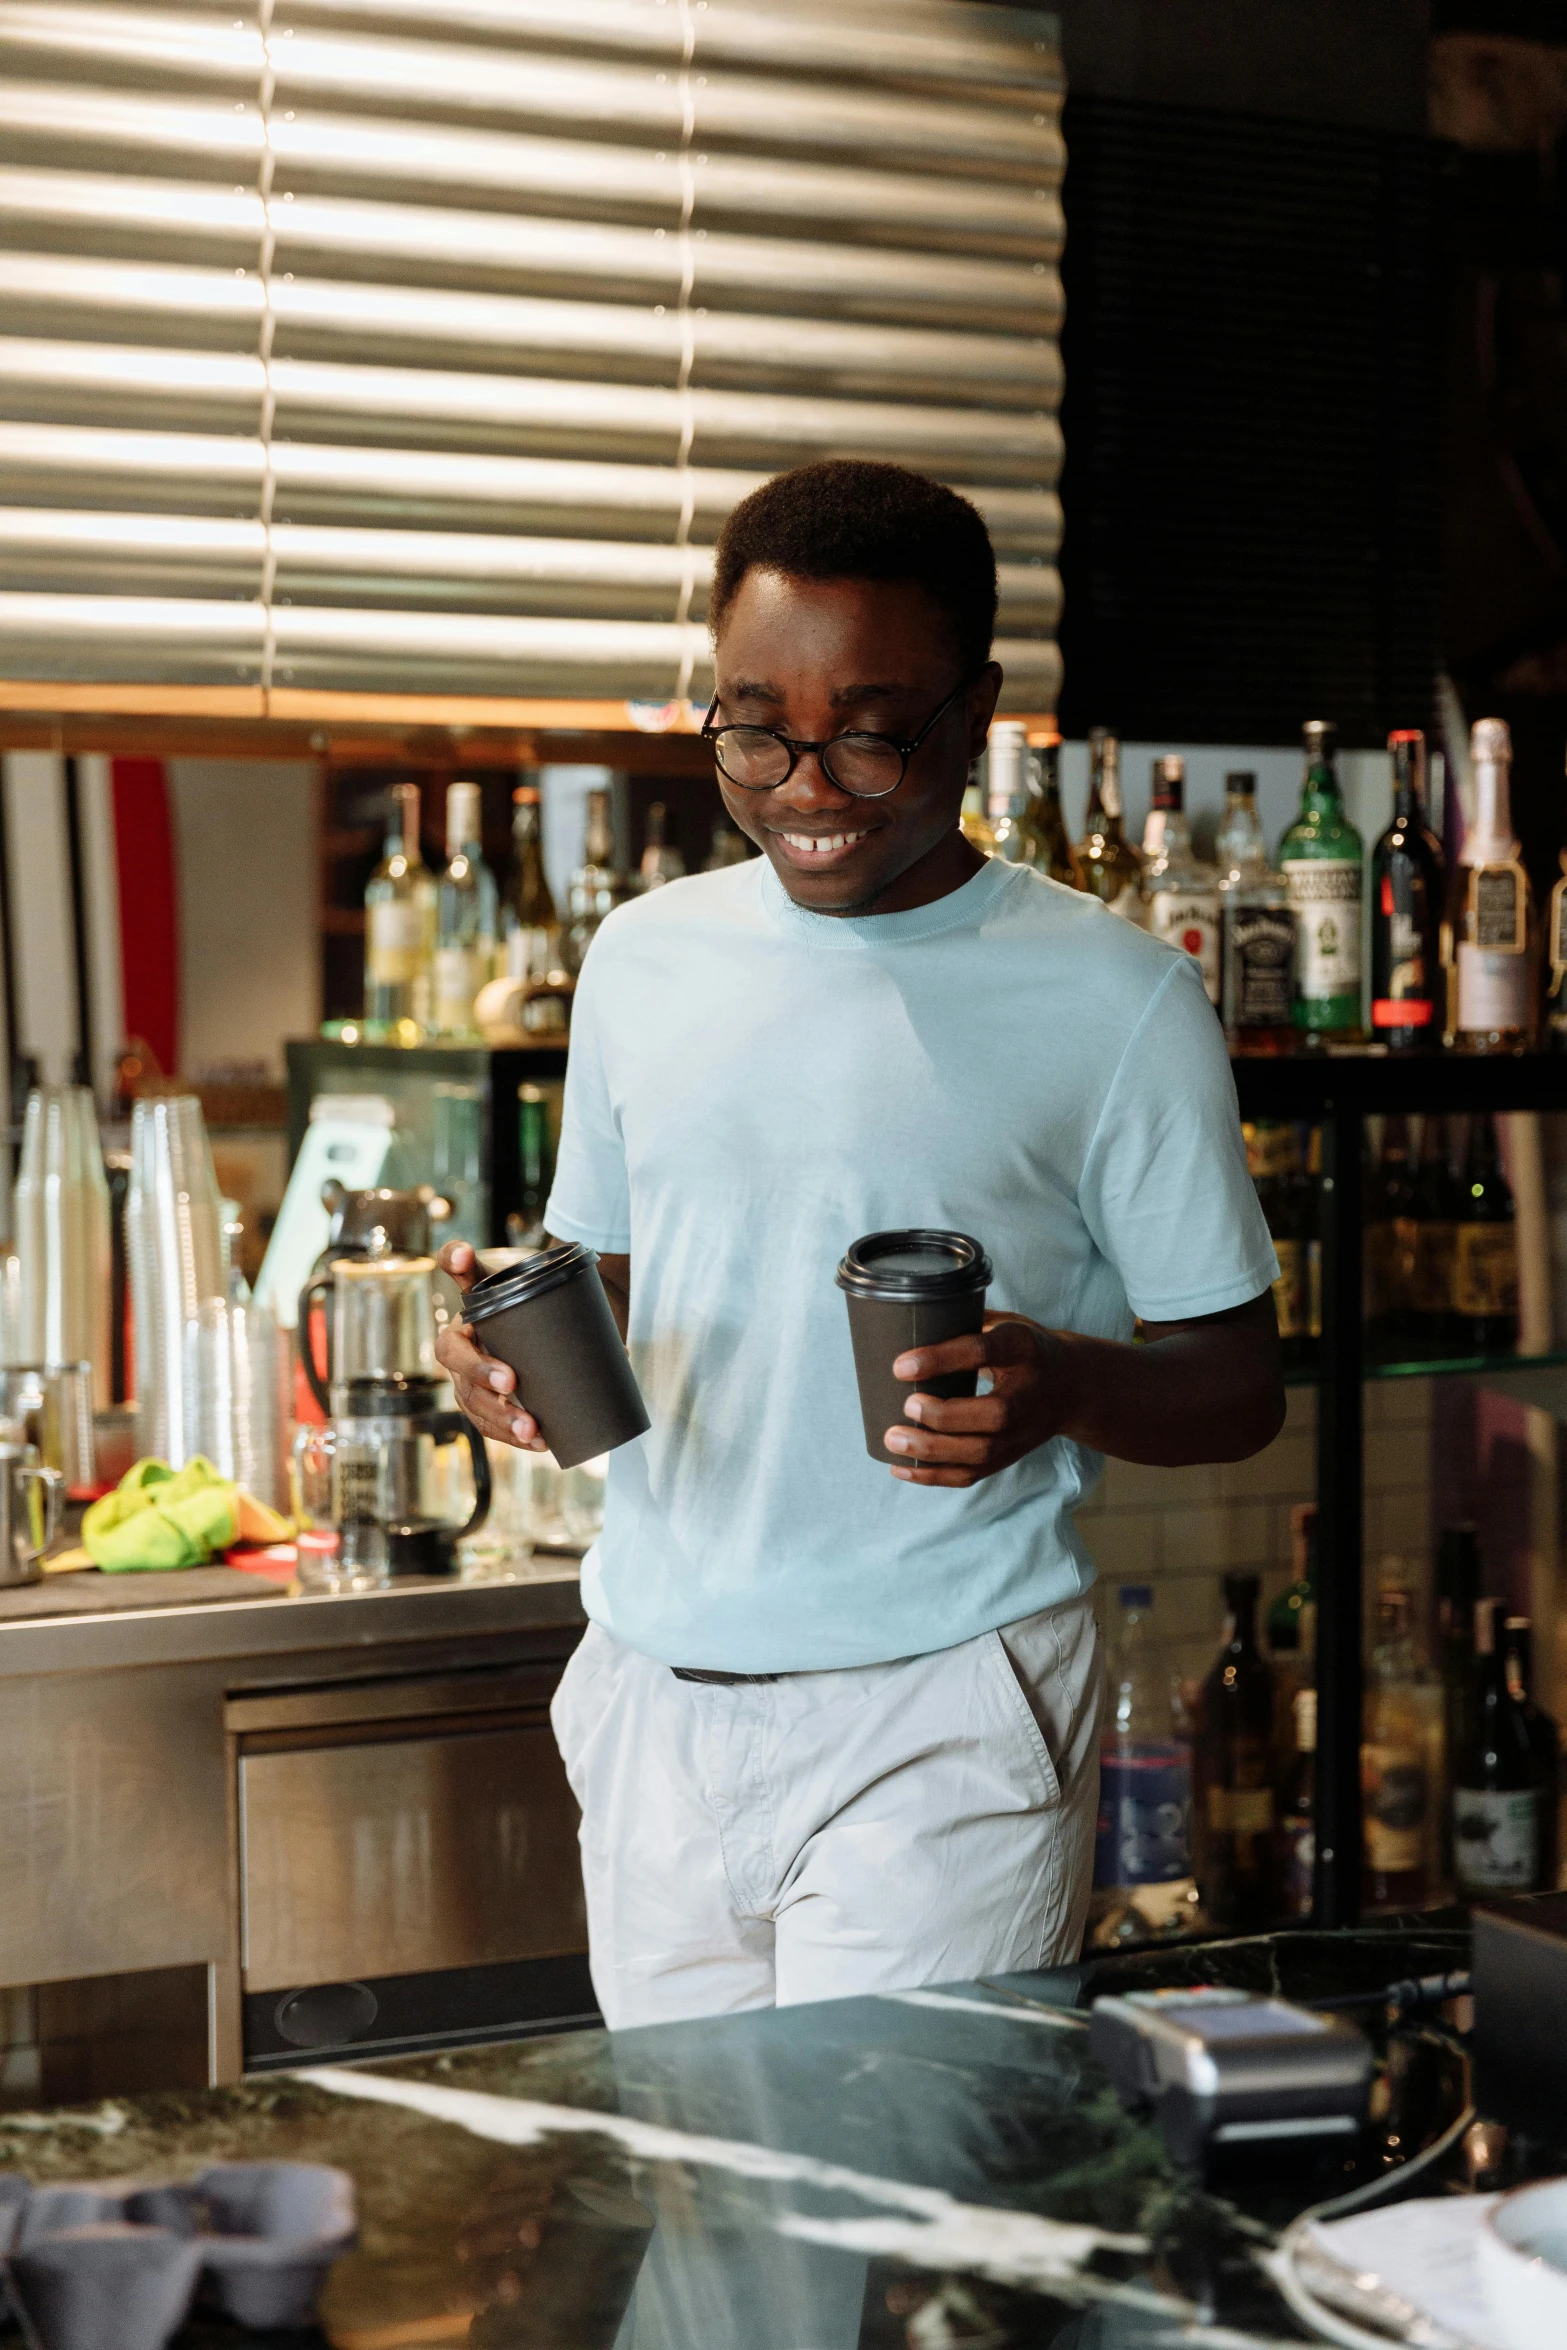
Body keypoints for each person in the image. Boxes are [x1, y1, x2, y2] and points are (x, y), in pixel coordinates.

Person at [436, 459, 1284, 2031]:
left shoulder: (1115, 1000)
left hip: (943, 1704)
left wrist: (1060, 1384)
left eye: (870, 731)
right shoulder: (642, 960)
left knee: (897, 2242)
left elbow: (1236, 1379)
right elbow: (614, 1271)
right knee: (709, 2240)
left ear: (975, 710)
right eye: (754, 725)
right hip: (653, 1696)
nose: (805, 786)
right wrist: (504, 1349)